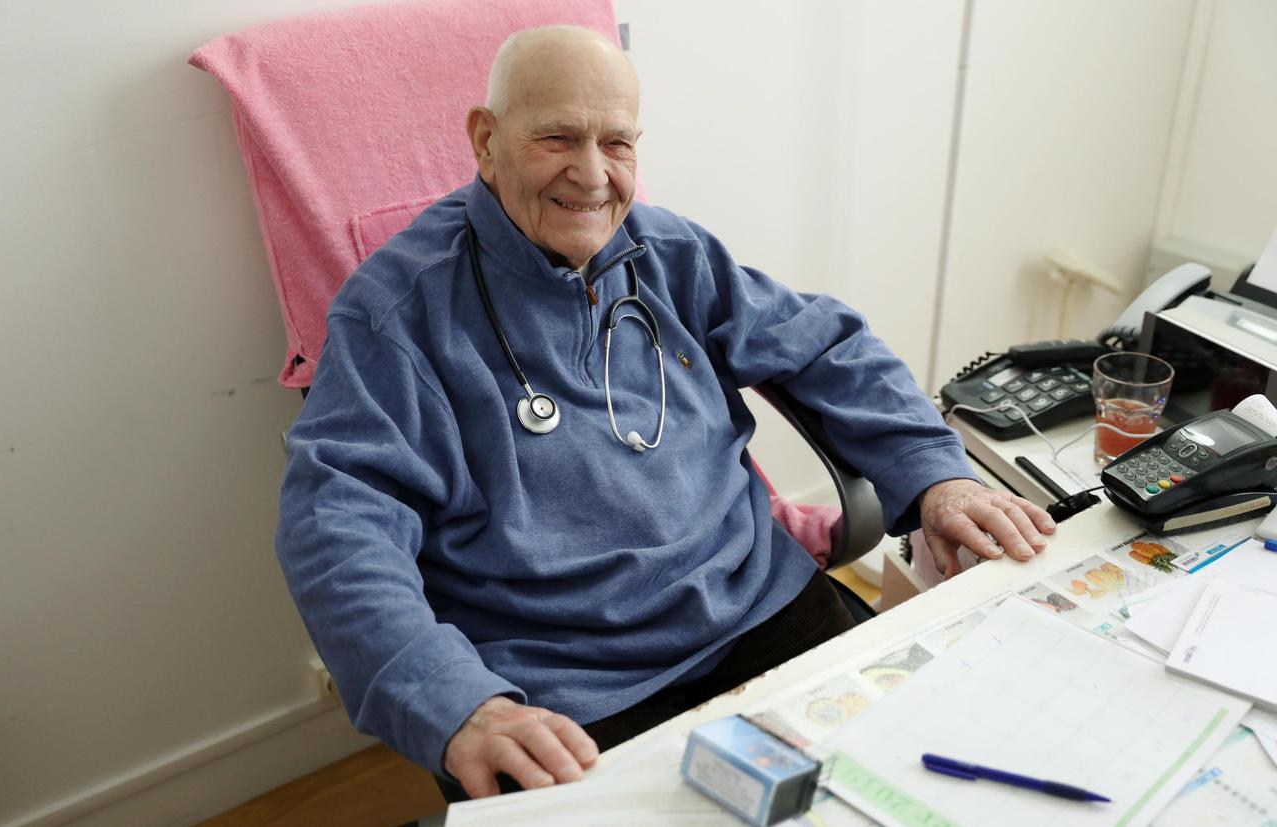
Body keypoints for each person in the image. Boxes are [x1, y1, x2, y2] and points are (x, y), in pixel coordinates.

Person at [276, 24, 1056, 800]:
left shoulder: (667, 249)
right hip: (563, 680)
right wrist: (454, 702)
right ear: (486, 140)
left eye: (617, 143)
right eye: (558, 137)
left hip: (757, 604)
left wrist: (938, 476)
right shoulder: (396, 315)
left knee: (926, 778)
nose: (592, 175)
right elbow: (337, 523)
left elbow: (824, 343)